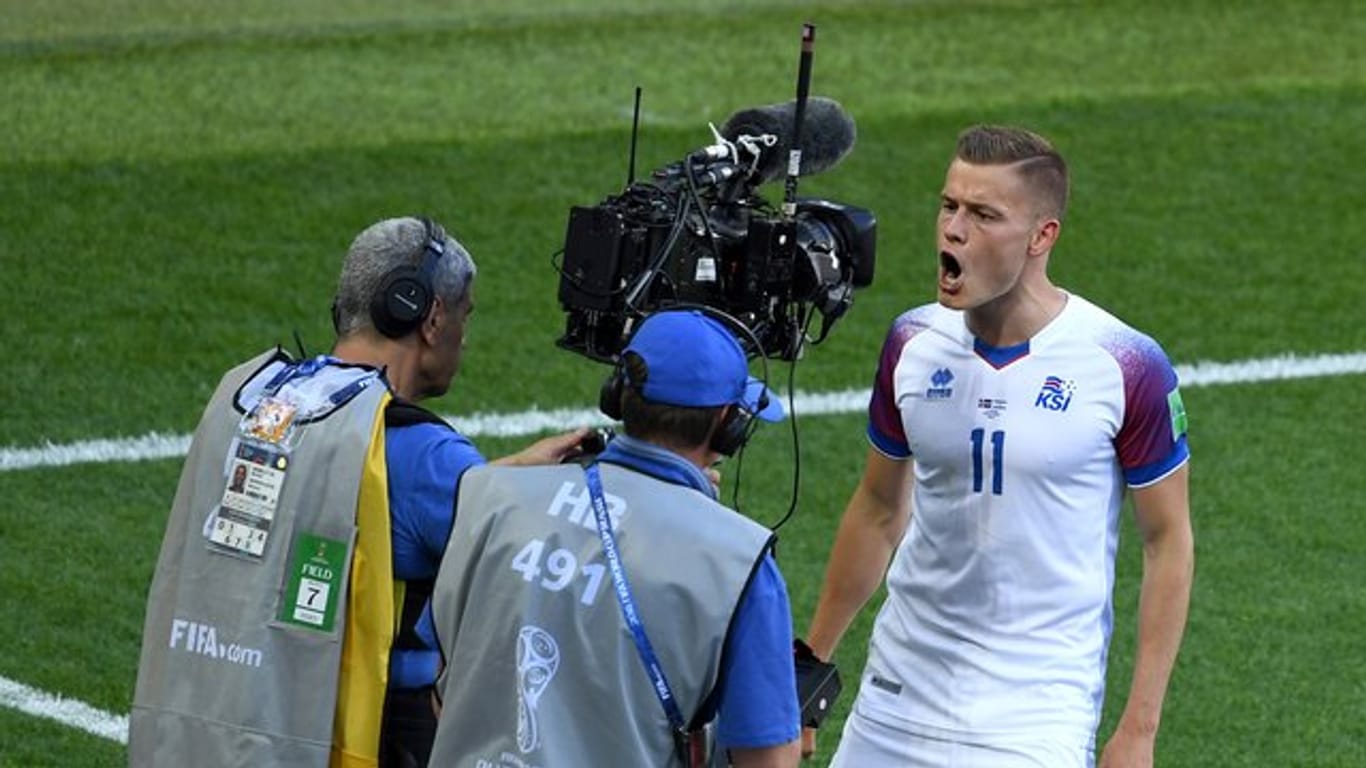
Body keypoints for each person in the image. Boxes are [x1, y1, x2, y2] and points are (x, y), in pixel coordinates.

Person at [129, 216, 588, 768]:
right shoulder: (427, 456)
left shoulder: (257, 398)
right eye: (465, 315)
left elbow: (394, 501)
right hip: (357, 735)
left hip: (218, 715)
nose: (464, 335)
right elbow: (543, 562)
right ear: (430, 315)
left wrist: (508, 470)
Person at [803, 126, 1194, 767]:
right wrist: (811, 669)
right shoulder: (912, 342)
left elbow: (1167, 540)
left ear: (1043, 237)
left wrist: (1139, 730)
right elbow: (877, 509)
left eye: (984, 215)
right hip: (894, 701)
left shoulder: (1124, 363)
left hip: (1033, 717)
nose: (953, 230)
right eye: (949, 205)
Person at [426, 309, 803, 767]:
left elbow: (444, 686)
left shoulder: (490, 497)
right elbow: (769, 761)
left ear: (619, 394)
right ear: (728, 422)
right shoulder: (739, 563)